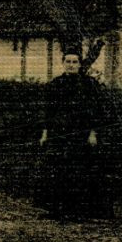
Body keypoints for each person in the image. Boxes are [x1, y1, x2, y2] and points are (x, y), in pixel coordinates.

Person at [38, 49, 111, 219]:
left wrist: (93, 133)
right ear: (63, 63)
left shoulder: (89, 84)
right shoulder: (55, 84)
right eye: (68, 62)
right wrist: (45, 133)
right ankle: (56, 210)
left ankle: (77, 210)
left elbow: (96, 111)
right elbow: (48, 111)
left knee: (79, 171)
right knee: (57, 170)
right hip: (59, 133)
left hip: (81, 133)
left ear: (80, 64)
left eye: (74, 62)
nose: (71, 65)